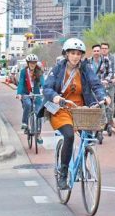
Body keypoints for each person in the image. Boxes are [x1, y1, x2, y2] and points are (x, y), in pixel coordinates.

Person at [42, 38, 109, 189]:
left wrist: (104, 96)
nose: (75, 56)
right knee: (69, 136)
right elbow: (47, 88)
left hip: (81, 110)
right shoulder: (58, 69)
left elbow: (96, 84)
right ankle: (63, 173)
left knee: (89, 137)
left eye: (79, 53)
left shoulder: (85, 68)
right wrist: (56, 97)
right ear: (66, 54)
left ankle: (84, 162)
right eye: (72, 53)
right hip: (61, 109)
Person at [17, 54, 45, 141]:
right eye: (31, 63)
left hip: (36, 94)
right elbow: (21, 83)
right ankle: (25, 123)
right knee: (28, 105)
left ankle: (38, 134)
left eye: (34, 63)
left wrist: (45, 90)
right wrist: (19, 93)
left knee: (39, 112)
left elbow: (43, 82)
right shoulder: (23, 72)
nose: (32, 64)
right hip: (26, 93)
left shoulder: (39, 71)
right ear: (28, 63)